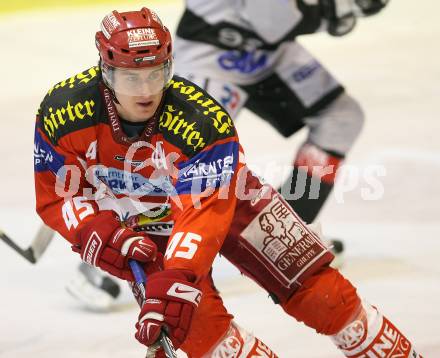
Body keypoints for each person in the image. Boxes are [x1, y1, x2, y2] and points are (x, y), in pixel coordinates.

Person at [34, 7, 421, 358]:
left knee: (320, 292)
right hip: (147, 209)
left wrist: (178, 275)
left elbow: (205, 213)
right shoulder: (64, 111)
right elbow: (54, 192)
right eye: (131, 78)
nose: (147, 90)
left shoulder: (203, 119)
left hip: (232, 197)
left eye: (157, 74)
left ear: (170, 66)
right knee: (204, 336)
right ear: (106, 72)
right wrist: (94, 230)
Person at [173, 0, 388, 228]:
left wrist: (337, 11)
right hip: (209, 53)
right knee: (184, 151)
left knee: (341, 119)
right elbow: (273, 22)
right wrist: (337, 11)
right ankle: (159, 239)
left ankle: (288, 231)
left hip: (267, 52)